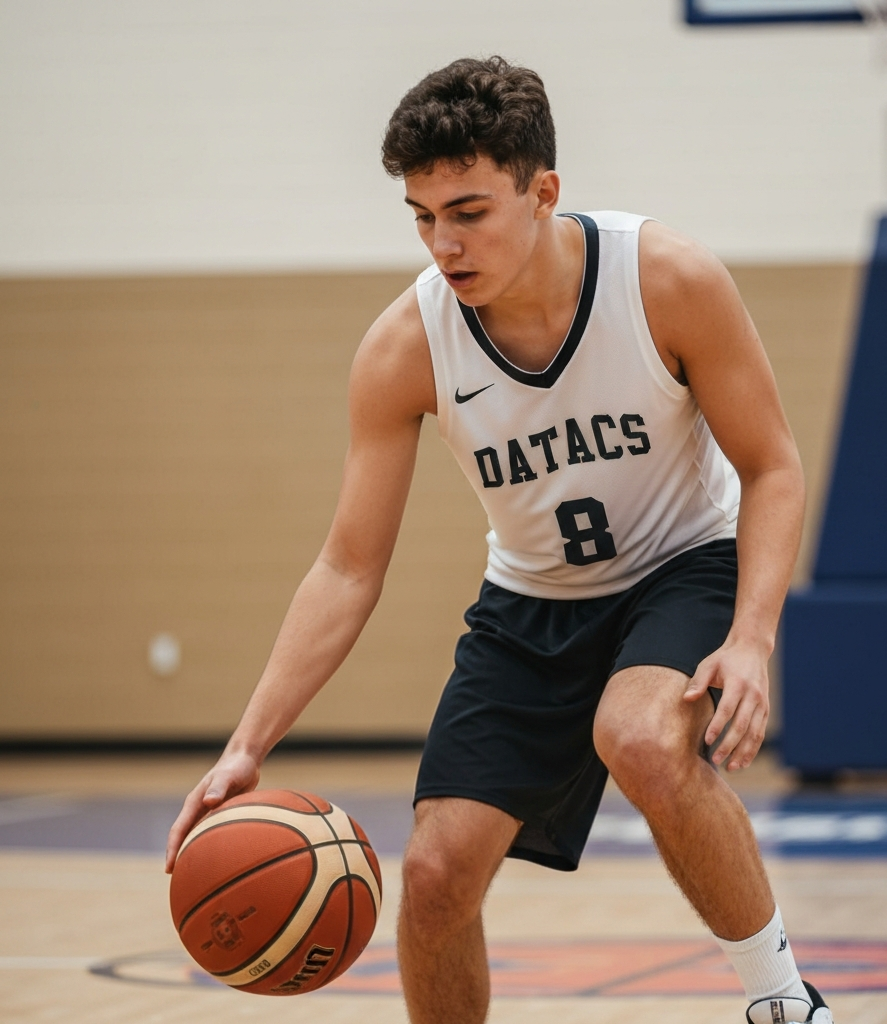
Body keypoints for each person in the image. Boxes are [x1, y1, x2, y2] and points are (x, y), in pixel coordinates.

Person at [165, 56, 833, 1024]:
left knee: (640, 738)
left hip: (682, 565)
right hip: (531, 604)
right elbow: (350, 564)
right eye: (422, 215)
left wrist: (754, 637)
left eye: (468, 210)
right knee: (435, 874)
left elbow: (772, 464)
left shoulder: (665, 279)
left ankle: (782, 1002)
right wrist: (246, 744)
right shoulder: (406, 345)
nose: (443, 242)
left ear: (542, 191)